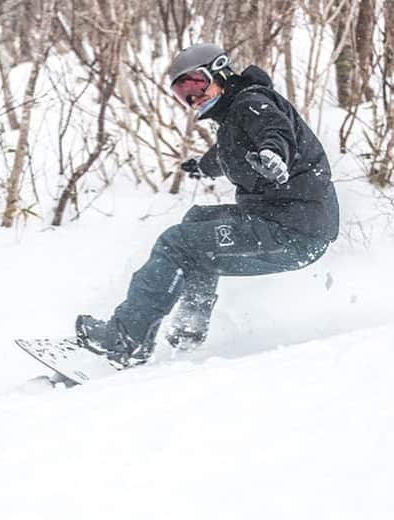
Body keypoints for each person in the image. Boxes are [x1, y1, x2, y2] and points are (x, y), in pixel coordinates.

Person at [76, 42, 339, 367]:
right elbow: (229, 152)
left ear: (221, 71)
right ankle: (189, 326)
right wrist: (202, 166)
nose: (192, 97)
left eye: (195, 84)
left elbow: (274, 130)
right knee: (196, 221)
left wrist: (274, 155)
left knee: (176, 243)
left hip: (294, 231)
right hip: (281, 221)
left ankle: (127, 338)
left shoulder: (253, 103)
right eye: (181, 92)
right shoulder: (233, 118)